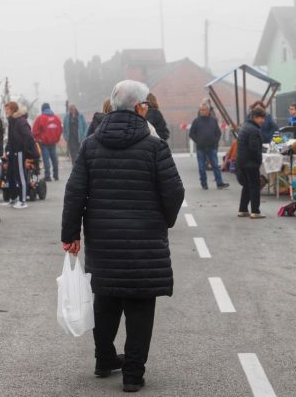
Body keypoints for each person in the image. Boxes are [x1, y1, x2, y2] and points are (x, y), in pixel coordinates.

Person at [61, 80, 184, 393]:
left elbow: (75, 192)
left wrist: (70, 233)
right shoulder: (154, 146)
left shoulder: (91, 145)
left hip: (103, 238)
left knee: (106, 297)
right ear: (141, 107)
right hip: (145, 241)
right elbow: (174, 191)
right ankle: (132, 374)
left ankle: (104, 360)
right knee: (140, 305)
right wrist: (163, 221)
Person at [189, 102, 229, 190]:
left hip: (212, 147)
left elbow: (218, 133)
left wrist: (215, 141)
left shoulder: (213, 120)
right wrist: (198, 141)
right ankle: (204, 183)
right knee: (201, 166)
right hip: (201, 148)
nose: (201, 111)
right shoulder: (196, 121)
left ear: (208, 110)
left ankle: (219, 183)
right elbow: (191, 133)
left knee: (215, 165)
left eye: (203, 110)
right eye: (200, 110)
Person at [5, 101, 37, 209]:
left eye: (8, 109)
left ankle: (23, 201)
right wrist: (8, 148)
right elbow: (10, 137)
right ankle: (13, 198)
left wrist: (23, 148)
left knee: (20, 176)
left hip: (18, 152)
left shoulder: (20, 121)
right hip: (12, 152)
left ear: (13, 109)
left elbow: (28, 136)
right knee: (10, 175)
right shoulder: (12, 121)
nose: (6, 111)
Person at [236, 107, 266, 219]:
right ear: (254, 117)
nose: (262, 120)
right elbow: (254, 148)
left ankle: (243, 209)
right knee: (254, 186)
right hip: (251, 163)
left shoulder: (245, 127)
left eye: (263, 118)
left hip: (242, 161)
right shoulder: (254, 130)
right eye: (260, 118)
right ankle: (255, 211)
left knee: (247, 186)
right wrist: (259, 160)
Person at [33, 102, 63, 181]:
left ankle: (47, 176)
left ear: (42, 109)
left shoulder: (40, 118)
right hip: (53, 142)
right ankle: (56, 175)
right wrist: (57, 138)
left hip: (43, 142)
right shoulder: (56, 118)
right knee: (54, 158)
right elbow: (60, 129)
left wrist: (38, 139)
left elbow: (34, 131)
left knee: (46, 159)